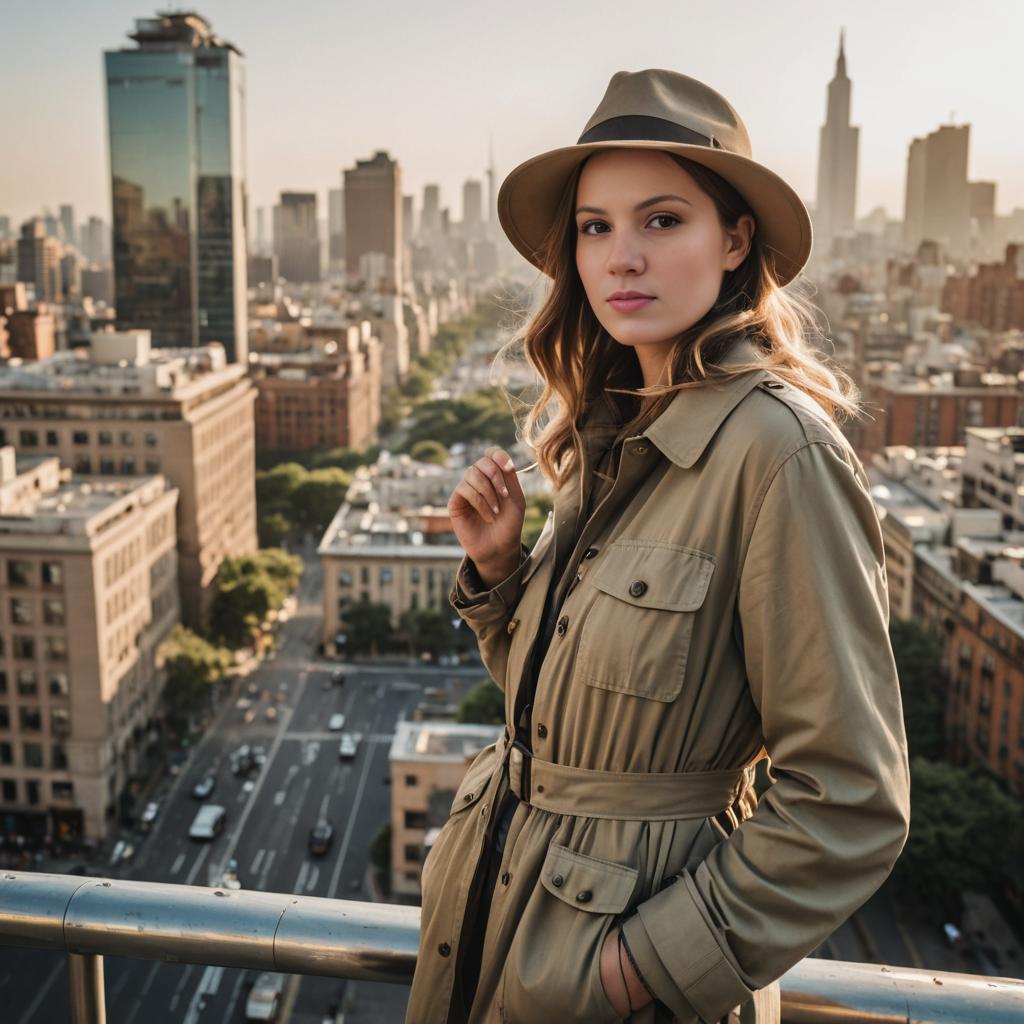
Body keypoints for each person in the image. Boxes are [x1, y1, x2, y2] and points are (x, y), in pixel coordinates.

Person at [406, 69, 911, 1024]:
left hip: (616, 975)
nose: (620, 257)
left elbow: (850, 800)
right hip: (491, 927)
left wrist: (631, 974)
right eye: (595, 227)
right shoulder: (605, 439)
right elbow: (558, 716)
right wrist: (503, 573)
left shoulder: (778, 451)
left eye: (662, 221)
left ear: (734, 240)